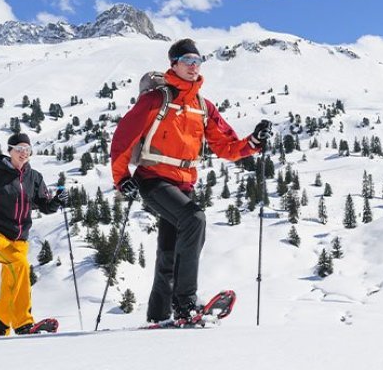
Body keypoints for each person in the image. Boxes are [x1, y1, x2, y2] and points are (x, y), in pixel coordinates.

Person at [111, 38, 273, 323]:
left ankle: (158, 317)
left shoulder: (203, 106)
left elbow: (226, 145)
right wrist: (122, 178)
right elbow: (124, 137)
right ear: (173, 64)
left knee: (169, 253)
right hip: (152, 179)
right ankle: (185, 303)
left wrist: (254, 143)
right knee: (194, 219)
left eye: (197, 61)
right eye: (187, 60)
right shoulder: (156, 99)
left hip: (184, 184)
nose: (193, 66)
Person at [0, 133, 68, 336]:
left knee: (14, 282)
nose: (23, 153)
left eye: (27, 150)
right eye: (19, 149)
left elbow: (44, 206)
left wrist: (58, 201)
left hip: (20, 242)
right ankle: (23, 324)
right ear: (9, 151)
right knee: (20, 266)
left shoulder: (34, 177)